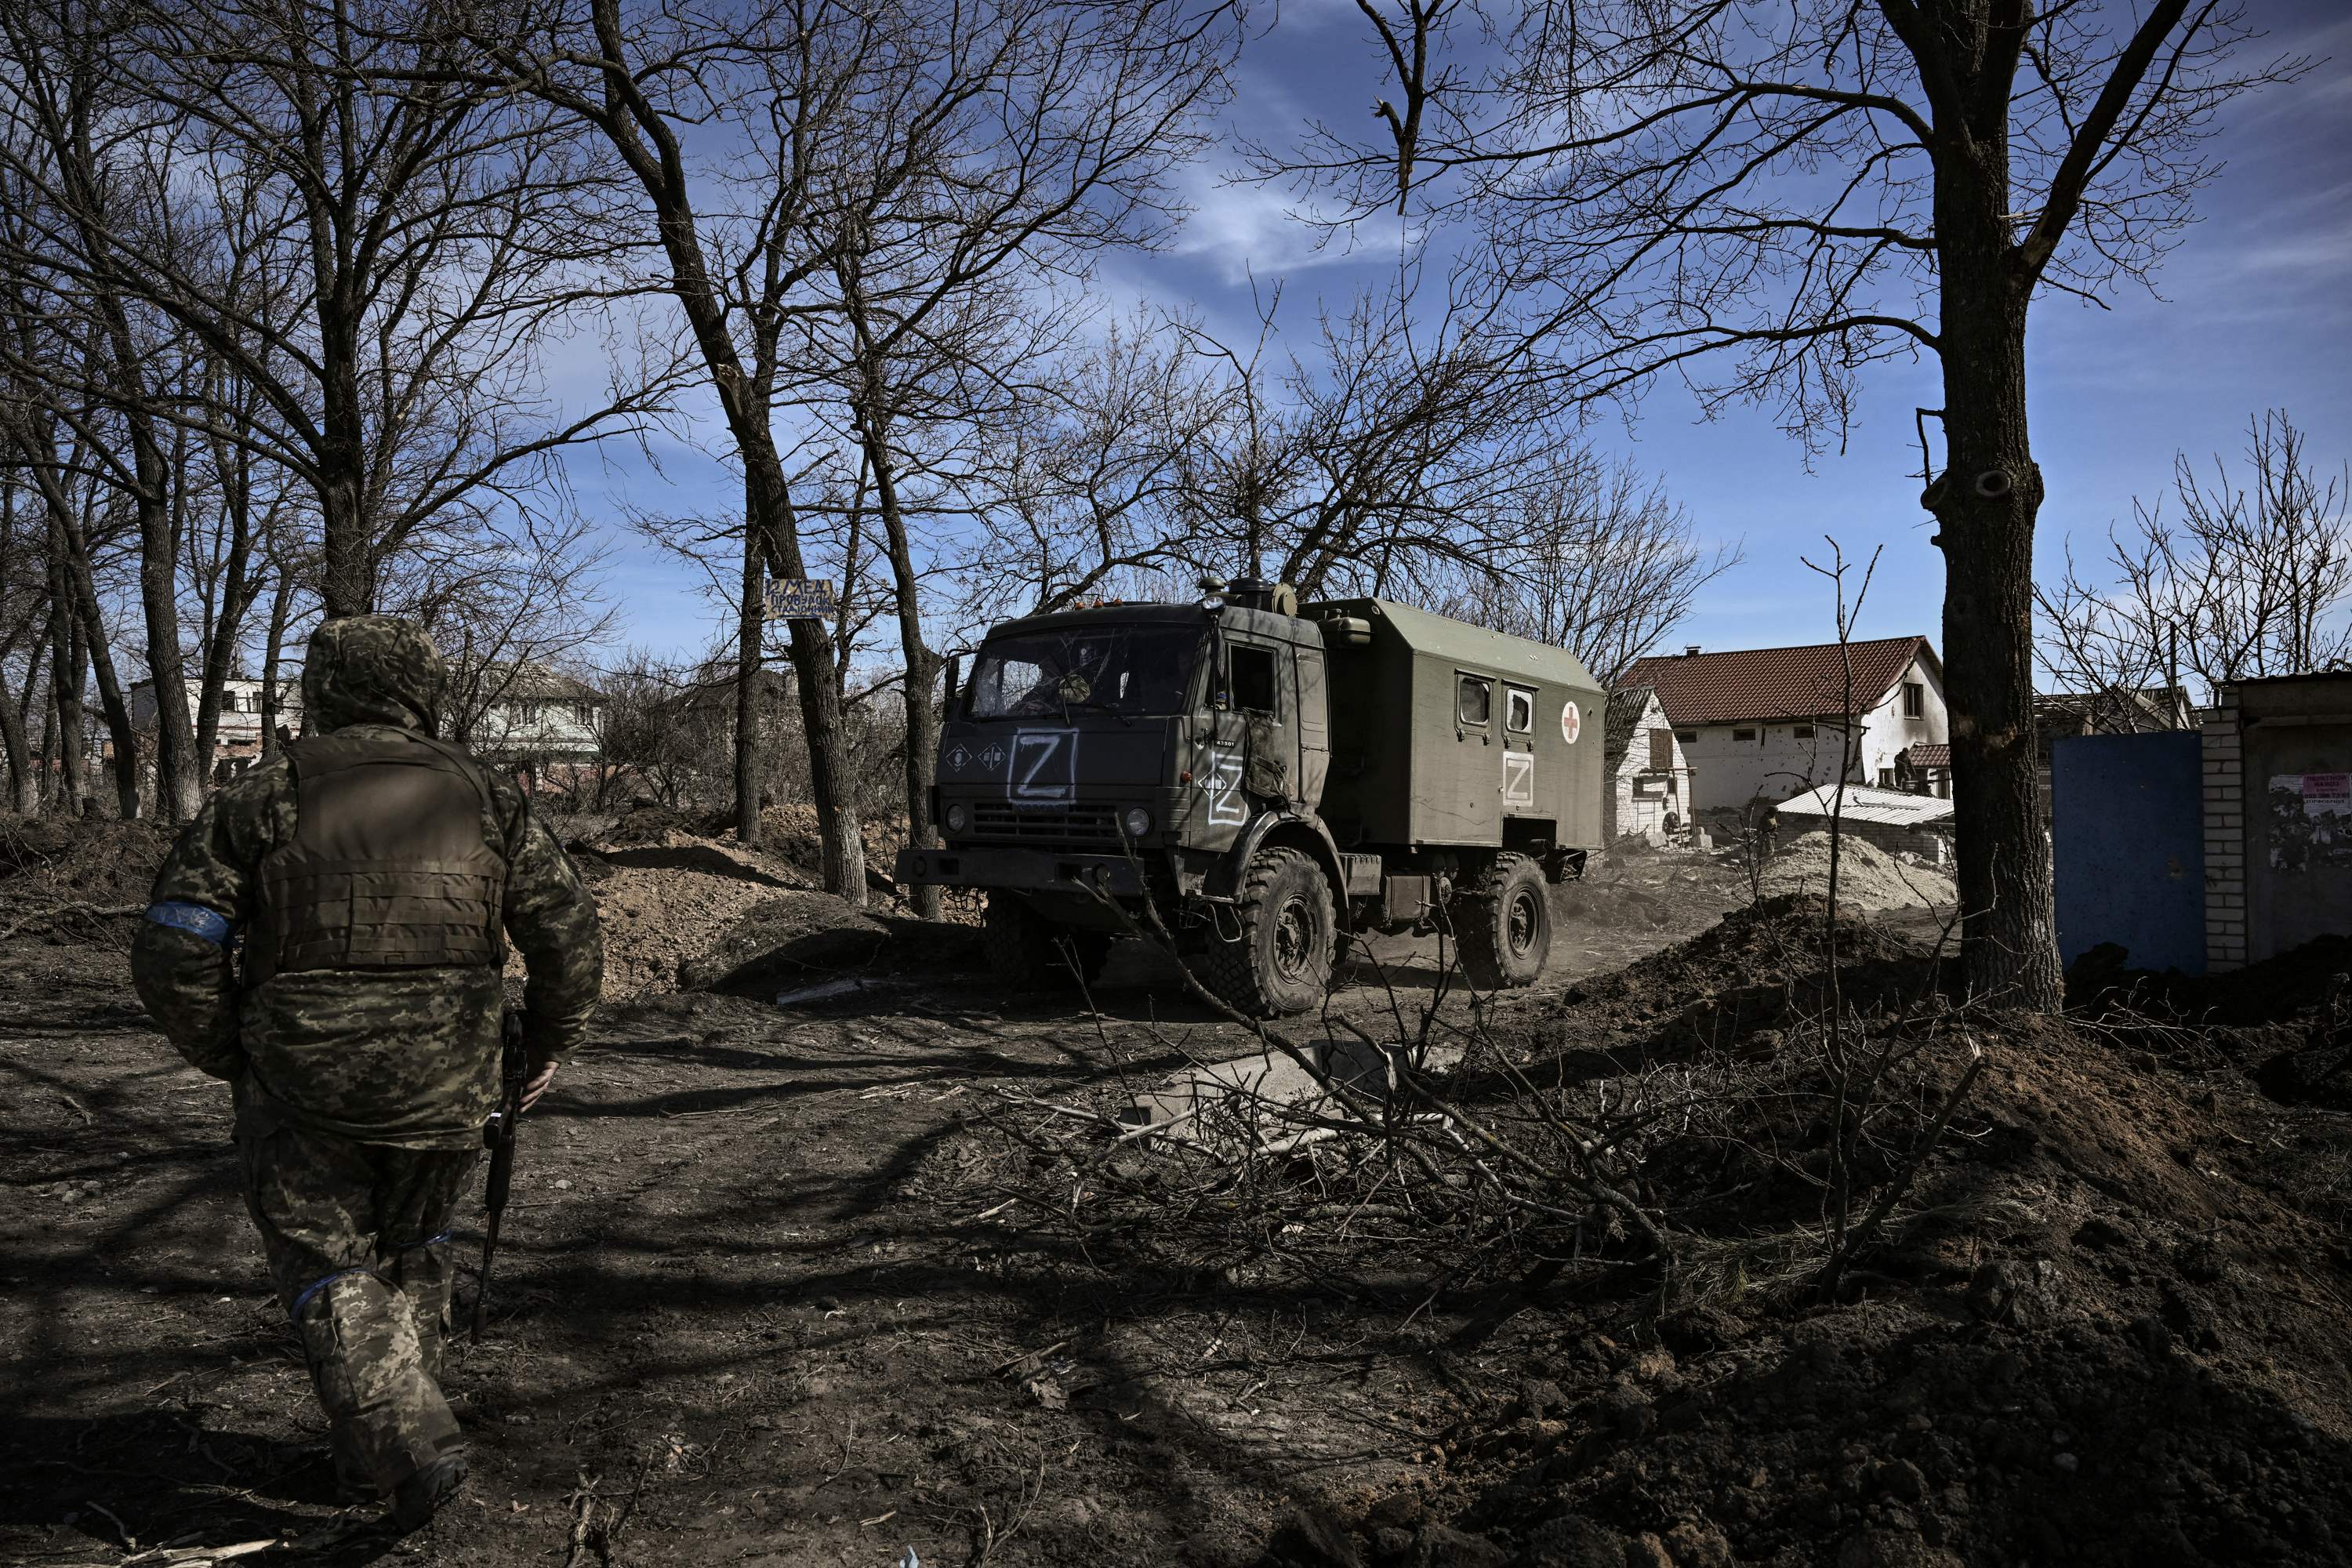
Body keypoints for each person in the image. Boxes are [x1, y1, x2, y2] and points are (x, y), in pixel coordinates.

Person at [129, 617, 603, 1533]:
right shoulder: (486, 795)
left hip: (306, 1078)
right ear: (423, 689)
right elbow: (569, 937)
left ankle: (409, 1448)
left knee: (328, 1265)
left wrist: (234, 1048)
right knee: (414, 1252)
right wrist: (546, 1043)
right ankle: (375, 1458)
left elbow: (172, 948)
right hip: (450, 1075)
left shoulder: (263, 794)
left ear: (325, 686)